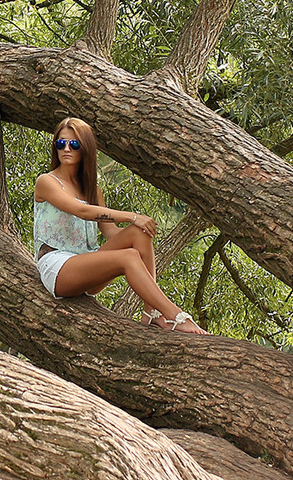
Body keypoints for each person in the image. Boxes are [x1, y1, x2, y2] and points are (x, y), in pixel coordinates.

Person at [33, 116, 207, 333]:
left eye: (74, 144)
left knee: (138, 233)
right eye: (61, 143)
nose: (66, 148)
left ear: (85, 148)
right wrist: (132, 216)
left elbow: (110, 233)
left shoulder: (92, 191)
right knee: (129, 254)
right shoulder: (47, 182)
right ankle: (174, 316)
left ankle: (151, 312)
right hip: (58, 269)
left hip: (87, 264)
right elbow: (82, 211)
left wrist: (137, 230)